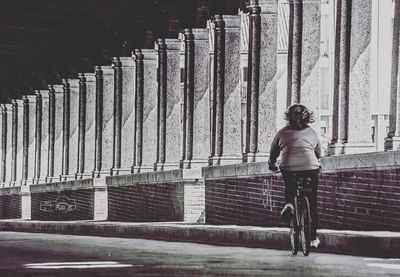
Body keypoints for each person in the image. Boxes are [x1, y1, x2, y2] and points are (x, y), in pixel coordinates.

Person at [268, 104, 321, 248]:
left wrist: (271, 164)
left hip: (289, 167)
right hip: (310, 167)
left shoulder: (282, 133)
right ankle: (313, 237)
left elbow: (273, 153)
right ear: (307, 117)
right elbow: (318, 153)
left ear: (288, 117)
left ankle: (290, 204)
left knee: (290, 188)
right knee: (312, 200)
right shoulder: (312, 133)